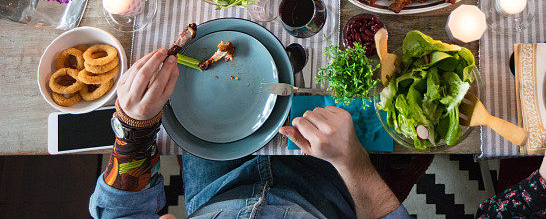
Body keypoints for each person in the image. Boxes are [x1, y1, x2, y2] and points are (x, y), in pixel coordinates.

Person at [89, 48, 412, 218]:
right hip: (328, 189)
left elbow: (121, 211)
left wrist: (134, 128)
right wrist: (351, 160)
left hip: (218, 188)